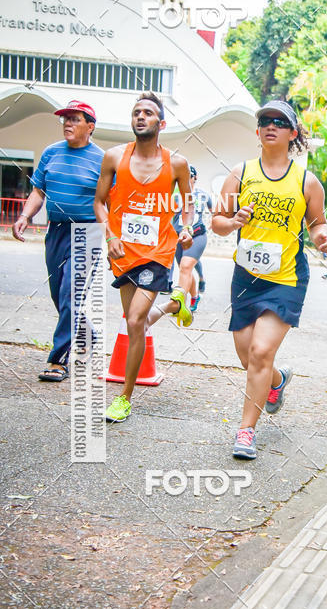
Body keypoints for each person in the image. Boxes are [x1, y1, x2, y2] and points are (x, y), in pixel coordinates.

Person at [213, 100, 327, 460]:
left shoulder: (307, 181)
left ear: (292, 133)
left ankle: (246, 430)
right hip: (246, 277)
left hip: (286, 278)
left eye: (280, 121)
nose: (271, 125)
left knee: (261, 351)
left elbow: (316, 223)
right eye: (265, 120)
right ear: (258, 130)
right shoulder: (241, 173)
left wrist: (322, 238)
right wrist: (233, 222)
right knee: (248, 355)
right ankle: (277, 381)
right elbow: (218, 220)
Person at [94, 92, 194, 421]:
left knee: (136, 320)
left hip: (158, 252)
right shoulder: (113, 157)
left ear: (160, 123)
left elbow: (188, 203)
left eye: (148, 113)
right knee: (134, 325)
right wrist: (110, 235)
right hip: (123, 252)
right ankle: (174, 304)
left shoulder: (176, 164)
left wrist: (186, 227)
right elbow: (99, 203)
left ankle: (123, 397)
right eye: (136, 112)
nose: (140, 117)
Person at [12, 100, 103, 381]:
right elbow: (39, 191)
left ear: (90, 126)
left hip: (88, 231)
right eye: (65, 118)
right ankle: (87, 334)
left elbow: (110, 200)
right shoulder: (51, 153)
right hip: (57, 231)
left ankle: (58, 359)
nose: (67, 123)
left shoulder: (102, 159)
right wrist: (26, 216)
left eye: (75, 119)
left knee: (69, 294)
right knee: (57, 293)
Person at [172, 166, 213, 312]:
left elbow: (214, 211)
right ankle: (195, 296)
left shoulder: (203, 195)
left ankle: (178, 304)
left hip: (197, 235)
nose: (186, 178)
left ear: (195, 178)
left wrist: (212, 224)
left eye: (190, 175)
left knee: (186, 266)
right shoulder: (174, 195)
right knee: (185, 270)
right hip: (178, 236)